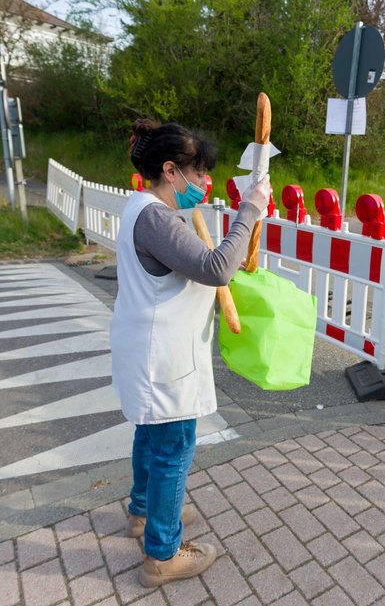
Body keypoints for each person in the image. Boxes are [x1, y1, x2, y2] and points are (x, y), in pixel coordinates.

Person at [110, 119, 269, 587]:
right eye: (198, 173)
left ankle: (143, 512)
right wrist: (250, 211)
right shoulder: (156, 219)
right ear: (170, 171)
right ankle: (162, 553)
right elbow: (216, 267)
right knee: (173, 448)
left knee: (151, 435)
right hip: (164, 358)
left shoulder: (140, 207)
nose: (204, 183)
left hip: (148, 349)